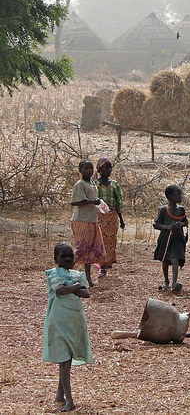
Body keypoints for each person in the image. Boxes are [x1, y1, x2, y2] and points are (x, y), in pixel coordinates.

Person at [43, 243, 92, 412]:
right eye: (63, 256)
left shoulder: (77, 274)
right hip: (58, 321)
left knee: (67, 358)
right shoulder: (53, 274)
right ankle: (69, 400)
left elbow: (87, 293)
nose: (68, 259)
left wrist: (72, 287)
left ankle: (59, 394)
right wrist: (76, 286)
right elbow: (60, 291)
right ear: (55, 258)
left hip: (74, 321)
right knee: (64, 360)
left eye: (70, 256)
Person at [70, 160, 106, 287]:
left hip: (91, 220)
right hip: (82, 220)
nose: (89, 171)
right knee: (81, 249)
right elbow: (75, 202)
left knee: (89, 250)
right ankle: (63, 273)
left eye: (91, 168)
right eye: (86, 168)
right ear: (80, 170)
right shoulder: (80, 184)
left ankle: (87, 278)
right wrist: (91, 202)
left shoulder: (91, 183)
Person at [94, 158, 125, 278]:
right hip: (99, 215)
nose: (109, 170)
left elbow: (119, 202)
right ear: (99, 170)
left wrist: (121, 219)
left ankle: (106, 264)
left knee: (111, 240)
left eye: (110, 167)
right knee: (100, 240)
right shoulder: (95, 185)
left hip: (112, 216)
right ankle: (101, 266)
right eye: (106, 167)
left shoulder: (114, 184)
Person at [153, 185, 188, 292]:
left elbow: (185, 222)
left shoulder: (181, 210)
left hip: (177, 238)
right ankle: (166, 281)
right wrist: (168, 227)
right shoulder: (163, 210)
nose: (180, 197)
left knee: (175, 258)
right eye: (178, 195)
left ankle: (174, 282)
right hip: (165, 238)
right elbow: (156, 224)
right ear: (170, 197)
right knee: (165, 260)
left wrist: (180, 224)